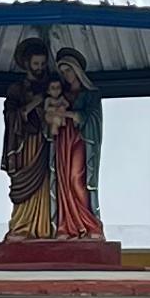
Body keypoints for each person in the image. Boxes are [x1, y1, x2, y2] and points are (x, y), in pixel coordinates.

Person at [46, 45, 105, 243]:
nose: (66, 75)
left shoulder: (90, 94)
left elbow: (92, 117)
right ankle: (67, 225)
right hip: (62, 140)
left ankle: (89, 224)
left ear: (77, 70)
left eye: (68, 70)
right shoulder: (61, 93)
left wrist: (69, 114)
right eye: (63, 72)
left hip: (80, 139)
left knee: (76, 179)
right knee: (63, 181)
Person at [0, 35, 55, 238]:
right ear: (26, 64)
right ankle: (22, 225)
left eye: (42, 64)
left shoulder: (51, 86)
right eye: (36, 64)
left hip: (44, 141)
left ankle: (43, 227)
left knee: (45, 181)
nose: (40, 68)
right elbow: (10, 116)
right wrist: (33, 104)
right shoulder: (16, 89)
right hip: (24, 144)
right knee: (25, 184)